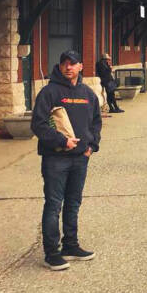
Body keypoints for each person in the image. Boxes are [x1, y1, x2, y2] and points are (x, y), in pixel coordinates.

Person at [30, 50, 101, 271]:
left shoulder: (88, 94)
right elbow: (38, 124)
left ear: (81, 66)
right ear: (60, 66)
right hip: (56, 159)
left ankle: (71, 245)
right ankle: (52, 253)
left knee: (73, 203)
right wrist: (62, 140)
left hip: (80, 159)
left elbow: (96, 122)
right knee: (53, 204)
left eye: (73, 63)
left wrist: (91, 146)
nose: (68, 67)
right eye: (64, 64)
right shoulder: (49, 92)